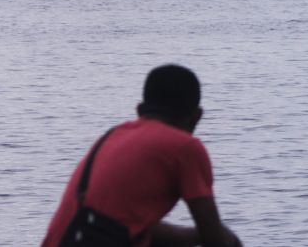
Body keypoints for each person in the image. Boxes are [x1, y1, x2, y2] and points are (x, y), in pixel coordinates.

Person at [42, 64, 242, 247]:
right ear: (197, 117)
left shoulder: (113, 136)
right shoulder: (185, 147)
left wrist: (193, 236)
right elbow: (214, 239)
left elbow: (128, 226)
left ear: (139, 110)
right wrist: (230, 239)